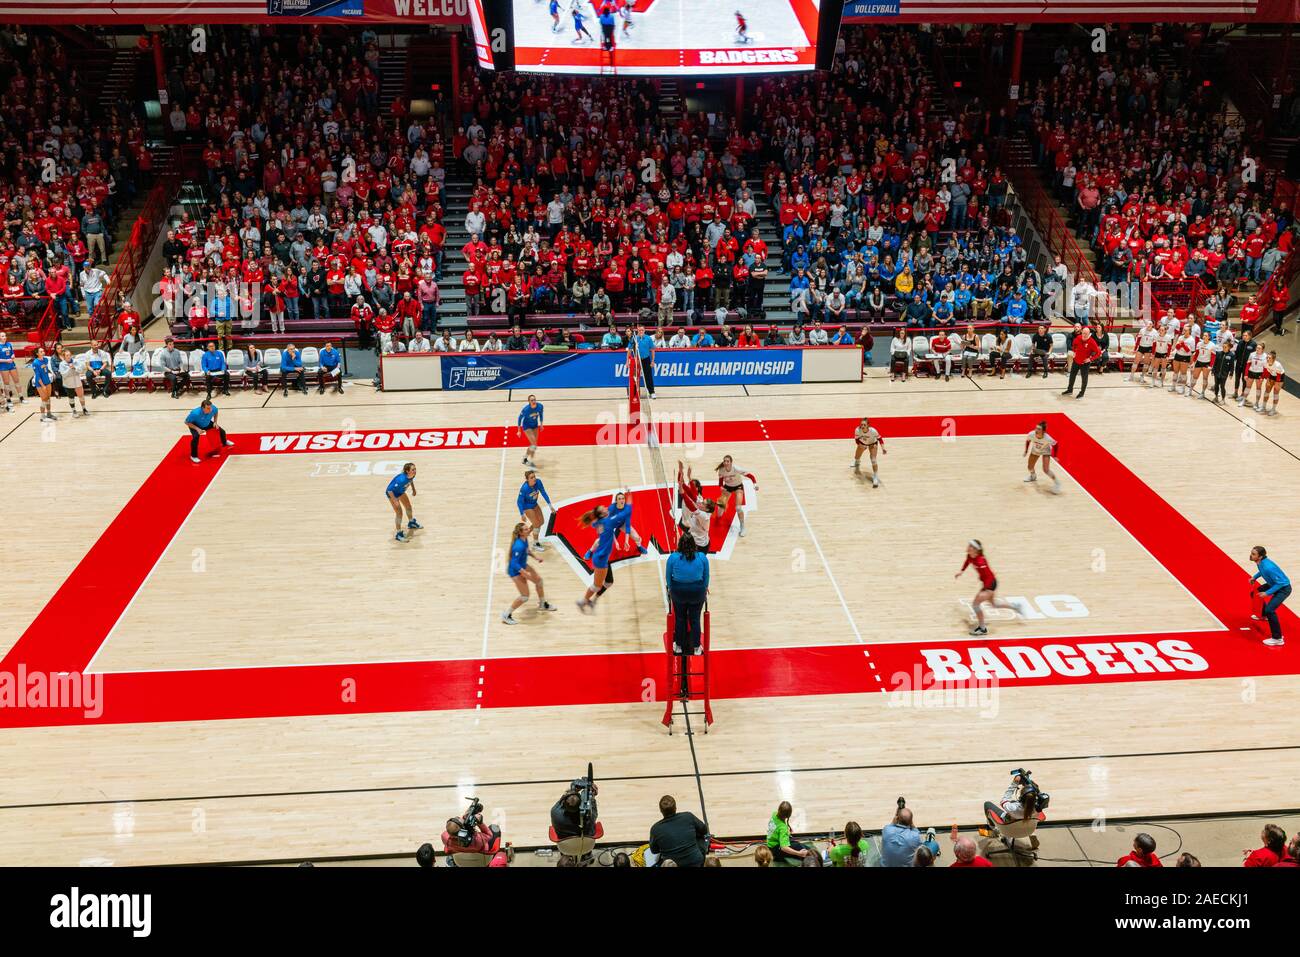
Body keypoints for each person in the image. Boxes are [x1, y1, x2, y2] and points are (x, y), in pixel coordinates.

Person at [576, 503, 629, 612]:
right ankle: (583, 601)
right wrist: (628, 501)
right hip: (601, 559)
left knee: (608, 582)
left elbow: (609, 510)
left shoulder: (598, 522)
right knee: (596, 586)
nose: (606, 508)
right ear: (602, 514)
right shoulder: (608, 522)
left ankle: (593, 600)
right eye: (603, 509)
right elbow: (625, 513)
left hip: (602, 557)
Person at [502, 522, 556, 624]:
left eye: (528, 528)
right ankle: (506, 614)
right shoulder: (518, 546)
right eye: (526, 529)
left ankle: (542, 604)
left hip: (523, 565)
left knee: (539, 582)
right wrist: (525, 574)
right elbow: (514, 563)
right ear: (521, 533)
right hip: (515, 571)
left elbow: (527, 550)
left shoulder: (525, 539)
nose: (529, 530)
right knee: (525, 596)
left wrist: (536, 557)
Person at [957, 539, 1014, 636]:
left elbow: (988, 575)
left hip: (990, 585)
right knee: (994, 605)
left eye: (970, 545)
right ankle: (1015, 607)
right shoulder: (970, 556)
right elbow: (967, 561)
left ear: (975, 549)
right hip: (988, 583)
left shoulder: (980, 561)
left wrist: (986, 589)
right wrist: (961, 571)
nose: (968, 546)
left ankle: (982, 629)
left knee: (975, 604)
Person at [666, 535, 709, 656]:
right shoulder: (702, 557)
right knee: (695, 619)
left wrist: (670, 589)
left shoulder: (673, 558)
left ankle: (678, 646)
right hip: (697, 592)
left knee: (680, 618)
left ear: (680, 544)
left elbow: (668, 577)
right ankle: (696, 648)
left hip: (679, 592)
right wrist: (704, 588)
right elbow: (706, 577)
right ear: (694, 544)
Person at [648, 795, 709, 867]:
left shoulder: (655, 829)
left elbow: (654, 850)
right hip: (696, 862)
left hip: (673, 865)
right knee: (701, 837)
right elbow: (704, 830)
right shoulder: (688, 816)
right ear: (675, 808)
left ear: (661, 811)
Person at [1250, 545, 1291, 647]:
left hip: (1283, 589)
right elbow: (1262, 571)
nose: (1251, 555)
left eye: (1253, 554)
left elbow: (1281, 583)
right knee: (1254, 593)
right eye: (1251, 553)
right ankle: (1263, 615)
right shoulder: (1260, 562)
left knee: (1270, 610)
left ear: (1260, 556)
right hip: (1273, 584)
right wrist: (1254, 577)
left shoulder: (1268, 567)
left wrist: (1267, 593)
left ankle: (1278, 638)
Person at [714, 455, 757, 537]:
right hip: (728, 487)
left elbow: (751, 476)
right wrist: (721, 488)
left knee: (738, 508)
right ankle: (718, 521)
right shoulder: (721, 470)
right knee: (719, 510)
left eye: (727, 461)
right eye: (724, 461)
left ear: (731, 462)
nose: (726, 463)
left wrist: (755, 484)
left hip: (738, 487)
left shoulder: (736, 468)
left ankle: (742, 526)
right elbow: (720, 483)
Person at [184, 399, 234, 464]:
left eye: (211, 408)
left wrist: (215, 422)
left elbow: (216, 412)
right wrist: (197, 429)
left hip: (206, 423)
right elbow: (186, 422)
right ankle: (193, 456)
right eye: (208, 408)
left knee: (221, 431)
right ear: (202, 408)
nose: (210, 410)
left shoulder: (213, 408)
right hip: (195, 425)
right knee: (196, 438)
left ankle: (224, 442)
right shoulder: (195, 413)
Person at [1062, 325, 1102, 398]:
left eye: (1086, 334)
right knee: (1072, 376)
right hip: (1076, 361)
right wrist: (1074, 352)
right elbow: (1074, 345)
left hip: (1085, 363)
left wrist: (1090, 359)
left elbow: (1098, 353)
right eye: (1083, 333)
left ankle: (1082, 393)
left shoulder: (1092, 342)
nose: (1084, 335)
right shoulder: (1078, 338)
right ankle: (1070, 390)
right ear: (1081, 332)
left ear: (1089, 334)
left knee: (1084, 378)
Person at [766, 801, 811, 865]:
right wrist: (799, 853)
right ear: (788, 815)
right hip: (775, 849)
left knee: (797, 845)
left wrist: (787, 828)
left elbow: (777, 826)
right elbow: (784, 848)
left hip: (771, 844)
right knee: (802, 850)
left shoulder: (774, 814)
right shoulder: (782, 828)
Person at [387, 463, 422, 543]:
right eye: (413, 470)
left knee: (408, 506)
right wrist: (395, 501)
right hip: (392, 494)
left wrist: (413, 489)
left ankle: (411, 522)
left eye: (415, 469)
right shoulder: (401, 480)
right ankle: (399, 534)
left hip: (400, 491)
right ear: (407, 471)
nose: (415, 471)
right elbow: (389, 490)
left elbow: (411, 480)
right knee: (399, 513)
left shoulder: (411, 475)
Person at [516, 471, 552, 549]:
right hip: (527, 507)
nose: (534, 478)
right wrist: (522, 514)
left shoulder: (538, 482)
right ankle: (535, 543)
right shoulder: (524, 488)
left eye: (534, 476)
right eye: (531, 477)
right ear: (527, 479)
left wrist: (550, 505)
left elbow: (543, 492)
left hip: (534, 504)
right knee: (536, 524)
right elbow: (519, 502)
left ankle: (525, 534)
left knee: (541, 522)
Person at [1023, 420, 1061, 493]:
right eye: (1036, 428)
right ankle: (1033, 476)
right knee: (1030, 467)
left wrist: (1055, 456)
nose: (1036, 430)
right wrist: (1026, 451)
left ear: (1044, 431)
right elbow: (1028, 441)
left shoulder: (1048, 438)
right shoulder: (1031, 434)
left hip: (1045, 450)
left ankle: (1057, 483)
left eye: (1039, 429)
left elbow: (1055, 444)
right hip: (1035, 450)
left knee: (1046, 470)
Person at [852, 416, 887, 487]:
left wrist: (883, 448)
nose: (862, 426)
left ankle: (875, 477)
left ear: (868, 425)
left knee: (873, 460)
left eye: (864, 425)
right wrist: (860, 445)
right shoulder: (857, 430)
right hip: (862, 443)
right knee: (856, 456)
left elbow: (880, 439)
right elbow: (856, 439)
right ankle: (857, 463)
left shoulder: (873, 431)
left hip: (872, 444)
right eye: (861, 424)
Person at [58, 349, 88, 418]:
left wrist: (75, 368)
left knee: (81, 396)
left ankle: (84, 409)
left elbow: (81, 370)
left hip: (77, 381)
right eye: (67, 355)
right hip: (68, 383)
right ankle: (74, 410)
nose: (69, 356)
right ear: (64, 357)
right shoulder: (62, 364)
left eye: (70, 355)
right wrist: (69, 368)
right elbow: (64, 374)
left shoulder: (76, 361)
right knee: (71, 398)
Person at [29, 347, 55, 422]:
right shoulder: (35, 363)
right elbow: (37, 375)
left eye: (43, 351)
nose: (43, 352)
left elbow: (46, 369)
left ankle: (49, 413)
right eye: (41, 351)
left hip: (47, 381)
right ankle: (42, 416)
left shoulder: (46, 360)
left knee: (48, 398)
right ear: (37, 354)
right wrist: (42, 385)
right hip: (40, 383)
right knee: (44, 399)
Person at [518, 394, 544, 467]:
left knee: (534, 445)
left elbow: (541, 414)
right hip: (527, 426)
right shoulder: (526, 409)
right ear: (529, 401)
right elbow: (519, 418)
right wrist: (519, 430)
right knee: (534, 444)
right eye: (532, 400)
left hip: (535, 425)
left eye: (534, 399)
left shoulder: (540, 406)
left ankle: (525, 459)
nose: (534, 401)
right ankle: (530, 461)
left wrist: (541, 424)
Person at [0, 331, 22, 412]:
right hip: (3, 367)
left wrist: (13, 356)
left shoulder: (9, 344)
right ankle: (8, 400)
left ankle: (21, 397)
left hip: (12, 365)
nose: (4, 337)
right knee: (6, 383)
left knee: (17, 381)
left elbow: (12, 353)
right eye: (2, 336)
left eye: (5, 336)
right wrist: (6, 360)